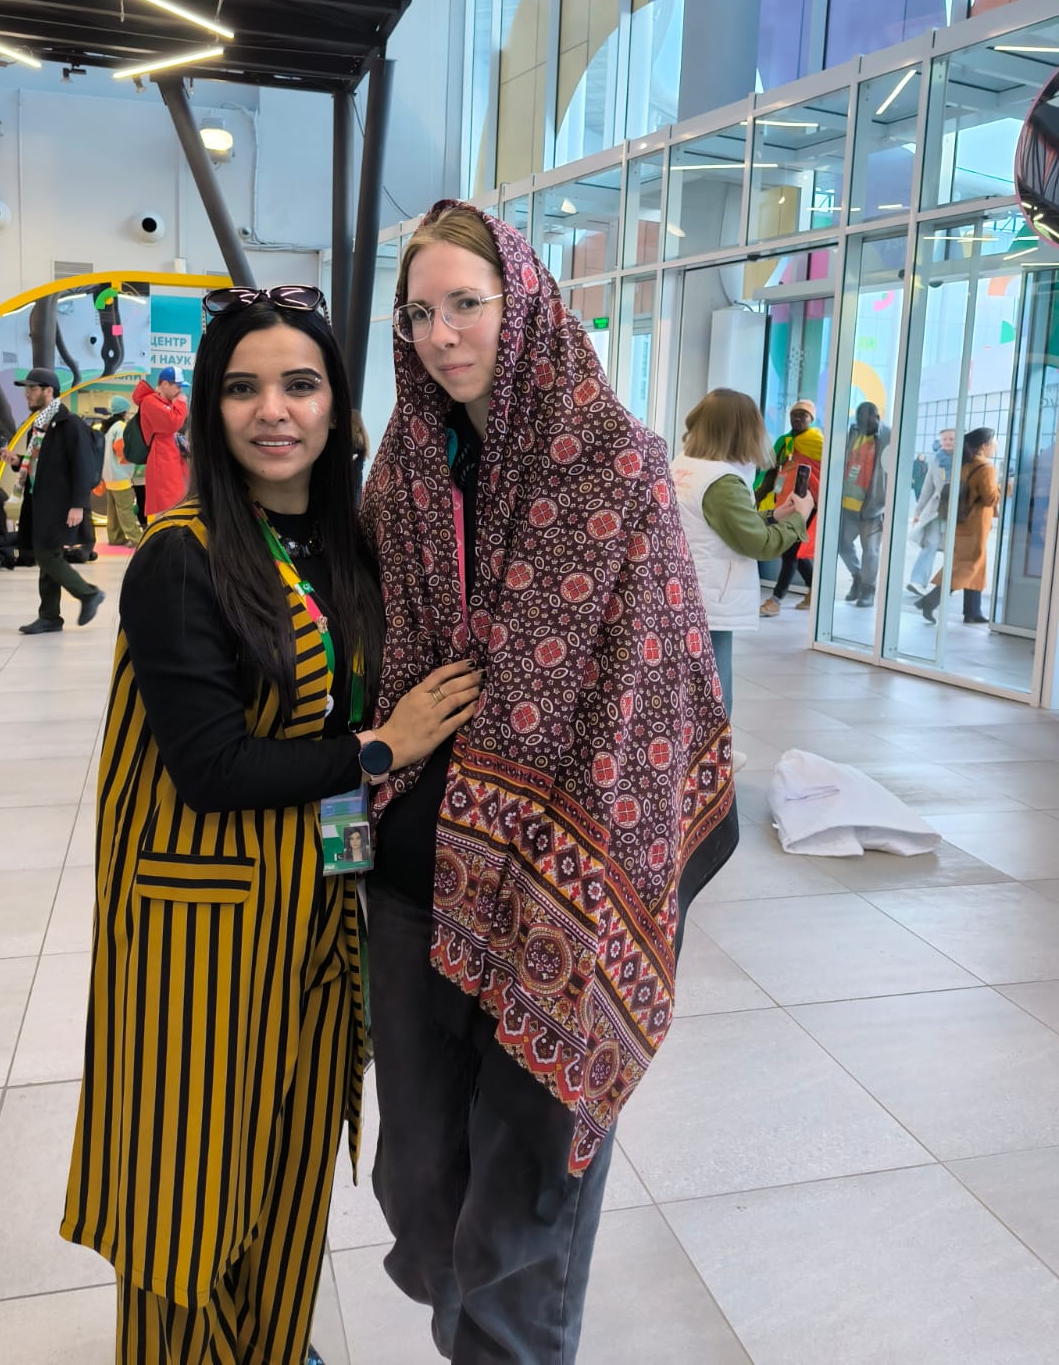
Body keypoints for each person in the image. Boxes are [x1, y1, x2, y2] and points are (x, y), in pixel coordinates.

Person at [61, 283, 480, 1365]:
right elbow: (211, 768)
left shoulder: (347, 550)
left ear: (338, 406)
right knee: (189, 1192)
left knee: (289, 1171)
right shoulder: (183, 555)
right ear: (210, 409)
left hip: (313, 918)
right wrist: (383, 747)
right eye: (243, 389)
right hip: (197, 941)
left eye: (300, 384)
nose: (273, 411)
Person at [360, 201, 736, 1365]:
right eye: (419, 313)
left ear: (521, 300)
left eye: (465, 303)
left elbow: (656, 688)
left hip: (561, 895)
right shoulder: (402, 468)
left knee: (522, 1208)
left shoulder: (615, 463)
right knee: (418, 1181)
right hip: (411, 878)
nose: (441, 335)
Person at [672, 388, 814, 724]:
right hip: (712, 600)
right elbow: (758, 545)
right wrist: (799, 519)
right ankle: (712, 756)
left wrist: (774, 515)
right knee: (715, 701)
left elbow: (716, 523)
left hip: (684, 593)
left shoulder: (684, 466)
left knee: (687, 695)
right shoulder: (721, 481)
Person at [0, 367, 104, 634]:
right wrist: (17, 461)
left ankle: (88, 593)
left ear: (49, 391)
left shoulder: (70, 425)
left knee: (46, 554)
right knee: (48, 554)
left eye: (32, 388)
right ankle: (49, 616)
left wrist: (78, 504)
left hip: (60, 503)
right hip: (40, 500)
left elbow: (82, 466)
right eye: (26, 388)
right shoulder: (39, 425)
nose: (27, 394)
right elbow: (39, 462)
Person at [916, 427, 1000, 625]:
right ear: (984, 446)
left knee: (973, 566)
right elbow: (990, 498)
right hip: (976, 525)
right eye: (994, 444)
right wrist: (1007, 487)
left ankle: (973, 611)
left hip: (962, 523)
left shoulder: (964, 465)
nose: (995, 447)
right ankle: (930, 600)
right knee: (966, 567)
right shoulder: (986, 468)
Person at [757, 398, 822, 616]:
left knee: (790, 551)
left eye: (803, 415)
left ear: (811, 419)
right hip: (785, 502)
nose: (797, 418)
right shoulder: (785, 442)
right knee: (794, 551)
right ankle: (815, 590)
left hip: (807, 504)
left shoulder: (818, 442)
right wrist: (760, 493)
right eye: (794, 414)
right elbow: (773, 471)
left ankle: (776, 600)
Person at [838, 399, 890, 608]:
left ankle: (868, 590)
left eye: (866, 422)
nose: (862, 426)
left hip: (872, 507)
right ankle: (857, 576)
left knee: (871, 551)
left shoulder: (889, 437)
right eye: (859, 422)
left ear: (877, 418)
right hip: (847, 504)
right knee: (842, 545)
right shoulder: (852, 433)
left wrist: (886, 500)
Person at [132, 365, 189, 521]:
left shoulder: (163, 402)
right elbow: (172, 423)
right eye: (177, 386)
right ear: (164, 384)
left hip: (169, 456)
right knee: (167, 506)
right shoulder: (150, 401)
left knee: (176, 504)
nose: (180, 391)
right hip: (162, 458)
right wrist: (181, 403)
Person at [906, 428, 954, 596]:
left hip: (958, 512)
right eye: (944, 439)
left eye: (951, 439)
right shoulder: (936, 460)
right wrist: (918, 511)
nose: (947, 442)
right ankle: (917, 581)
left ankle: (949, 585)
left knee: (953, 549)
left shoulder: (966, 460)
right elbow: (928, 487)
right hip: (936, 510)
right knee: (930, 544)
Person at [100, 394, 143, 547]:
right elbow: (122, 452)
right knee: (126, 509)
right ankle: (137, 538)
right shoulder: (121, 427)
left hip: (109, 476)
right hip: (120, 476)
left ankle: (115, 537)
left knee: (112, 510)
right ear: (125, 411)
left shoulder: (108, 428)